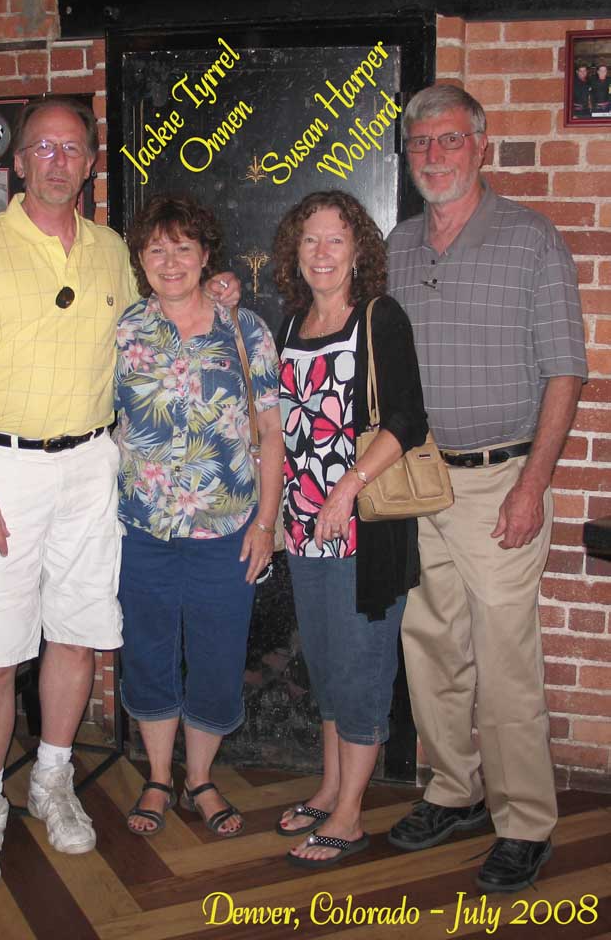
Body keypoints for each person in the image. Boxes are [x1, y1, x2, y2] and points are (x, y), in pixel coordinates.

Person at [0, 98, 240, 892]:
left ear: (92, 164)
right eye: (43, 148)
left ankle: (52, 779)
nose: (58, 161)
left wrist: (220, 288)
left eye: (72, 149)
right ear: (18, 161)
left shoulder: (112, 253)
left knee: (75, 635)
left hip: (94, 466)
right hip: (3, 469)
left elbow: (171, 300)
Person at [386, 84, 587, 893]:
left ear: (479, 146)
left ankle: (524, 821)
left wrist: (531, 486)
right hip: (418, 481)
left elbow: (564, 372)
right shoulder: (398, 246)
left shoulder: (530, 239)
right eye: (419, 143)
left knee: (504, 661)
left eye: (448, 140)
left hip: (501, 479)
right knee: (430, 647)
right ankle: (452, 789)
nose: (433, 156)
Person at [114, 194, 283, 840]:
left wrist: (265, 524)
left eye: (183, 248)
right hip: (144, 529)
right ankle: (159, 776)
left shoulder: (245, 329)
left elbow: (271, 433)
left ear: (206, 254)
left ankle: (201, 778)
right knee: (149, 652)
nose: (169, 261)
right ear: (140, 260)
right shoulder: (125, 330)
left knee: (216, 655)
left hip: (227, 529)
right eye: (155, 249)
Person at [272, 191, 428, 869]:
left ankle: (349, 815)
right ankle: (331, 787)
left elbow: (406, 420)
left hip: (363, 530)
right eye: (310, 240)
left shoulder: (378, 318)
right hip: (306, 530)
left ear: (357, 249)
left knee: (362, 671)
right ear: (295, 250)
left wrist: (345, 488)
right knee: (328, 667)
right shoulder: (291, 324)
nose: (322, 253)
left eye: (335, 239)